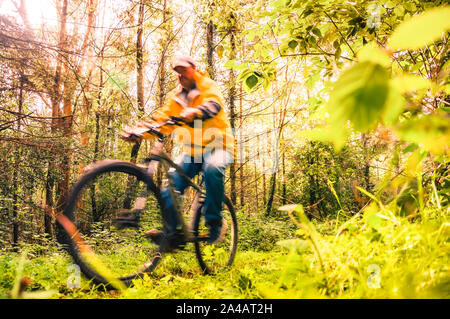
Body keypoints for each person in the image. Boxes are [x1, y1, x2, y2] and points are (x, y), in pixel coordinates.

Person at [125, 56, 234, 251]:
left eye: (184, 69)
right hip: (192, 152)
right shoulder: (177, 98)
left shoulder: (207, 85)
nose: (180, 74)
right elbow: (162, 119)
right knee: (171, 183)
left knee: (212, 169)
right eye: (177, 70)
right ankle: (172, 233)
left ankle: (215, 223)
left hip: (219, 146)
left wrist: (195, 112)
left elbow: (214, 105)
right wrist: (140, 131)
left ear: (194, 68)